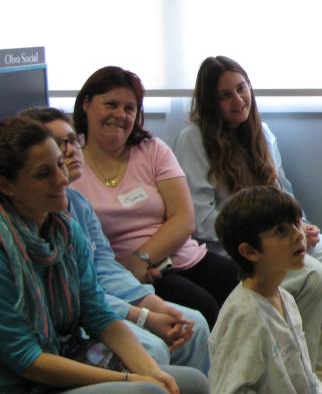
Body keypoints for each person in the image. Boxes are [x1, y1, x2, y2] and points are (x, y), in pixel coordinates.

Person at [173, 55, 322, 364]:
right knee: (314, 276)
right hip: (239, 247)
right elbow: (201, 218)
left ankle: (318, 362)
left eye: (242, 88)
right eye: (225, 95)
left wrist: (299, 223)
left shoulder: (261, 132)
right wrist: (266, 236)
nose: (238, 100)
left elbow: (283, 191)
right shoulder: (193, 139)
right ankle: (285, 361)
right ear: (211, 102)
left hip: (283, 234)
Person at [0, 116, 208, 394]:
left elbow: (98, 313)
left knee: (192, 383)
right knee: (146, 392)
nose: (62, 179)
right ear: (7, 185)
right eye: (43, 174)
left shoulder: (66, 230)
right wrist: (128, 380)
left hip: (67, 352)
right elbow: (26, 360)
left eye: (60, 165)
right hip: (24, 381)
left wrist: (150, 371)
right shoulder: (5, 246)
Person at [71, 66, 239, 328]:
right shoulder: (70, 162)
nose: (120, 115)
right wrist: (130, 268)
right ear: (86, 104)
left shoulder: (152, 150)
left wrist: (141, 258)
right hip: (132, 275)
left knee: (243, 286)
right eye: (111, 104)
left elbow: (184, 218)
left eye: (130, 108)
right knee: (202, 308)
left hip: (178, 256)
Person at [209, 186, 322, 394]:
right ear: (250, 251)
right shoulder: (245, 317)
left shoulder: (284, 298)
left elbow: (303, 377)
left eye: (296, 223)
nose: (298, 235)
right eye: (281, 231)